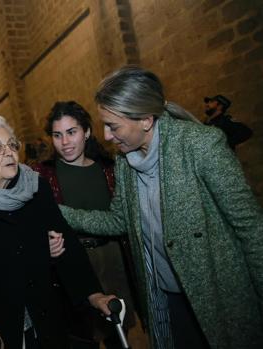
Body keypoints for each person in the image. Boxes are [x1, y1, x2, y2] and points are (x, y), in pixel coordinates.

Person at [58, 66, 263, 349]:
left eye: (113, 126)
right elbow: (119, 221)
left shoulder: (200, 145)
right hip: (167, 301)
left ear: (144, 119)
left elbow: (251, 229)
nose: (105, 136)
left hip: (219, 298)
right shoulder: (125, 162)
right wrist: (58, 212)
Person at [0, 115, 117, 349]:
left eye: (12, 144)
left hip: (45, 321)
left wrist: (93, 294)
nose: (8, 152)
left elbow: (67, 245)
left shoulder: (36, 187)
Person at [33, 101, 136, 349]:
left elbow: (124, 219)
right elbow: (34, 222)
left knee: (118, 336)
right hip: (70, 263)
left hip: (112, 260)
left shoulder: (110, 169)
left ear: (87, 132)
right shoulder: (41, 175)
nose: (65, 142)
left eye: (72, 132)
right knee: (80, 337)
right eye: (57, 135)